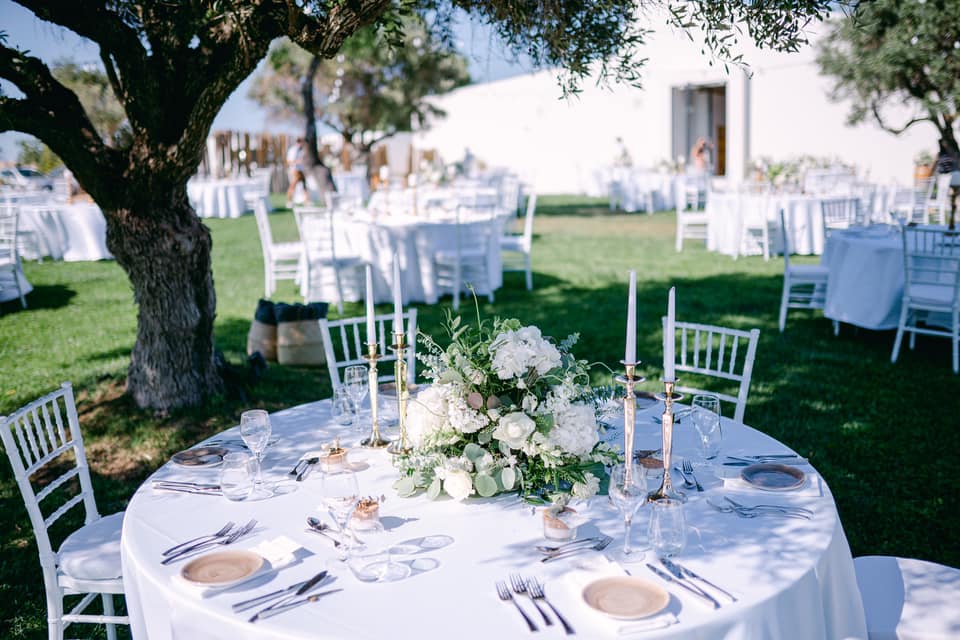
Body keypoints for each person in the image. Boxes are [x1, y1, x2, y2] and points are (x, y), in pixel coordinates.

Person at [285, 137, 306, 207]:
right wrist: (299, 161)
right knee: (293, 186)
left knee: (305, 186)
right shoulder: (293, 150)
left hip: (301, 170)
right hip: (295, 170)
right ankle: (289, 201)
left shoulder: (302, 150)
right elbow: (289, 161)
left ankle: (306, 201)